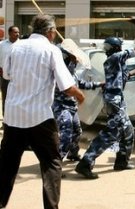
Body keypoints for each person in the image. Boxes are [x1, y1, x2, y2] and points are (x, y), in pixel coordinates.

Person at [0, 14, 85, 209]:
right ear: (50, 31)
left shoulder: (15, 47)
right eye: (54, 31)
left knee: (7, 164)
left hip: (13, 117)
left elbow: (6, 74)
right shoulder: (51, 50)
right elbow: (67, 86)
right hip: (39, 118)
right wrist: (80, 96)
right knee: (52, 163)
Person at [75, 16, 135, 179]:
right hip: (115, 102)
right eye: (120, 47)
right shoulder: (115, 58)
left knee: (128, 131)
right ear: (116, 48)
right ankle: (85, 162)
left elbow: (120, 77)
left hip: (116, 100)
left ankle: (122, 161)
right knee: (110, 134)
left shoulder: (112, 61)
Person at [52, 46, 104, 161]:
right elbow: (69, 88)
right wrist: (80, 96)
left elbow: (81, 83)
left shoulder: (72, 74)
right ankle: (56, 163)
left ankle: (73, 153)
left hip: (71, 108)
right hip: (61, 108)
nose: (75, 62)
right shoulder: (60, 74)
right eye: (73, 60)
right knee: (66, 135)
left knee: (77, 132)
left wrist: (99, 84)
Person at [0, 25, 20, 117]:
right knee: (5, 98)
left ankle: (16, 119)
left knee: (17, 99)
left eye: (18, 32)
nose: (18, 34)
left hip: (18, 77)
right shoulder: (2, 45)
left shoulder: (22, 45)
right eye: (15, 32)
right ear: (9, 33)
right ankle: (6, 119)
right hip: (4, 76)